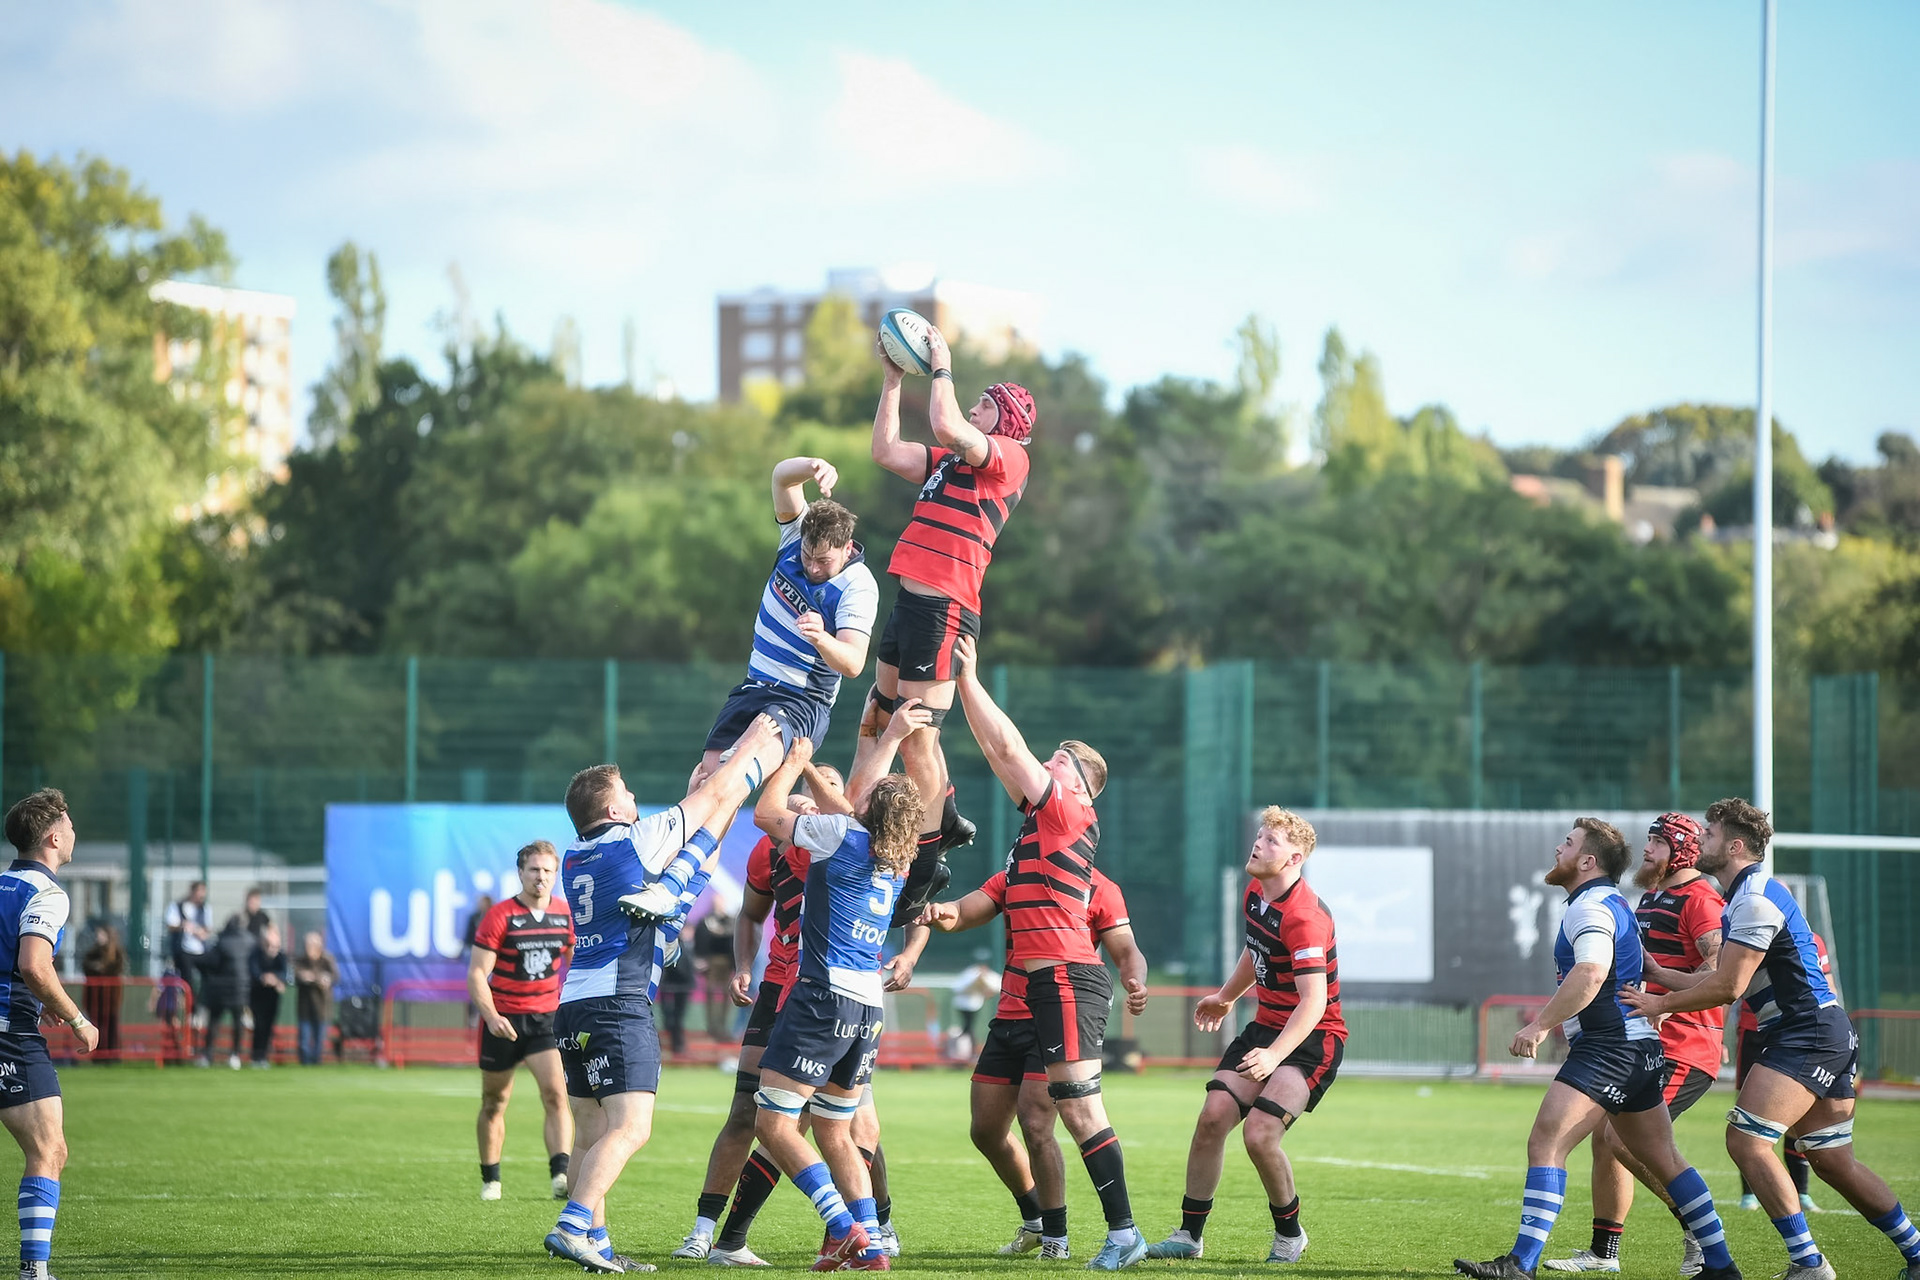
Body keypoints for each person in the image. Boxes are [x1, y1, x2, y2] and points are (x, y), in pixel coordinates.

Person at [920, 633, 1146, 1271]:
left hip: (1071, 980)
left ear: (1082, 787)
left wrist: (966, 679)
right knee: (993, 1124)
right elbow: (974, 908)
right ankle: (1063, 1227)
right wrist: (937, 912)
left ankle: (1121, 1231)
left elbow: (1003, 747)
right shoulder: (1029, 843)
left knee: (1074, 1109)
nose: (1047, 764)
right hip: (1033, 995)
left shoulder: (1069, 812)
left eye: (1060, 760)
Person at [1625, 798, 1920, 1280]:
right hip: (1817, 1030)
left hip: (1807, 1032)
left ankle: (1808, 1263)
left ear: (1735, 845)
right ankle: (1916, 1252)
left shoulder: (1754, 898)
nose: (1701, 841)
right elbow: (1719, 976)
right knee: (1831, 1160)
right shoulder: (1744, 896)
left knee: (1746, 1141)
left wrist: (1657, 1004)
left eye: (1711, 834)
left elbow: (1728, 988)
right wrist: (1659, 974)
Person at [543, 714, 779, 1274]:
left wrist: (706, 803)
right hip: (616, 1004)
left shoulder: (578, 855)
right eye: (626, 793)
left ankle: (595, 1243)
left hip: (574, 1001)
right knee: (632, 1127)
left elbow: (699, 857)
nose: (635, 798)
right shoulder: (632, 842)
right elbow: (717, 796)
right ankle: (572, 1225)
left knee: (592, 1131)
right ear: (612, 811)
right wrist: (749, 745)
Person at [1453, 819, 1739, 1280]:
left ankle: (1520, 1263)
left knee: (1546, 1141)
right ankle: (1721, 1265)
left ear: (1587, 861)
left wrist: (1541, 1025)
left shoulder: (1589, 907)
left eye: (1566, 844)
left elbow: (1589, 974)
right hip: (1639, 1047)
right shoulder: (1614, 903)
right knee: (1663, 1157)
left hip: (1610, 1048)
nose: (1556, 849)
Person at [864, 326, 1036, 915]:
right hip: (911, 601)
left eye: (987, 402)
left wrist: (940, 365)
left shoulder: (1009, 459)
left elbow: (945, 423)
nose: (974, 404)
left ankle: (928, 859)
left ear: (1004, 422)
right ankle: (947, 812)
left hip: (944, 606)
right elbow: (886, 450)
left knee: (916, 738)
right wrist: (892, 377)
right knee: (879, 716)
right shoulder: (950, 464)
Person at [747, 733, 918, 1272]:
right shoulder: (897, 859)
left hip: (823, 997)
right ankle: (870, 1244)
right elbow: (852, 801)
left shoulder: (839, 835)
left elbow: (765, 815)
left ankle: (847, 1232)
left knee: (772, 1125)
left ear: (867, 806)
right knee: (835, 1130)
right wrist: (878, 746)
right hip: (868, 1008)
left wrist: (795, 763)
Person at [1143, 806, 1342, 1265]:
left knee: (1260, 1133)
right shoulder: (1255, 891)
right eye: (1260, 836)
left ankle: (1290, 1235)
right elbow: (1256, 952)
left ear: (1295, 860)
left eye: (1272, 842)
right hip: (1267, 1028)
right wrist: (1227, 997)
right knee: (1213, 1116)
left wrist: (1273, 1057)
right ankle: (1189, 1236)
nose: (1258, 844)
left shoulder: (1305, 918)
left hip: (1313, 1039)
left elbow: (1313, 1004)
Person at [672, 760, 851, 1265]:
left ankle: (876, 1223)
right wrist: (743, 966)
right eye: (803, 793)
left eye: (826, 791)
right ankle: (706, 1233)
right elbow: (752, 914)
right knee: (745, 1113)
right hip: (778, 989)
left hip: (831, 996)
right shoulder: (769, 850)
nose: (810, 800)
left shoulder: (841, 845)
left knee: (842, 1126)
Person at [1545, 813, 1725, 1276]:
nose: (1648, 850)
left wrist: (1666, 1001)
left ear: (1682, 851)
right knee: (1606, 1143)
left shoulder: (1699, 897)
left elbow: (1721, 968)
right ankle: (1604, 1253)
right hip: (1644, 1040)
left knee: (1620, 1139)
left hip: (1686, 1042)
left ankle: (1700, 1234)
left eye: (1659, 843)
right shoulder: (1650, 896)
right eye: (1647, 841)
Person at [949, 862, 1145, 1262]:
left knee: (1036, 1121)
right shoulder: (1013, 877)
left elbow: (1128, 951)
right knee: (985, 1130)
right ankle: (1035, 1221)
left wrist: (1135, 980)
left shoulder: (1100, 887)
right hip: (1008, 1017)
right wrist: (936, 912)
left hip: (1055, 1015)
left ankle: (1057, 1237)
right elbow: (965, 913)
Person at [693, 456, 878, 797]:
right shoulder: (796, 533)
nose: (813, 568)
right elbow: (781, 478)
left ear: (847, 549)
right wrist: (813, 466)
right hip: (754, 685)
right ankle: (697, 852)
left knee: (736, 775)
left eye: (824, 561)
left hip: (800, 701)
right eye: (808, 556)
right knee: (705, 781)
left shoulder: (858, 586)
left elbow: (853, 663)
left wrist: (823, 638)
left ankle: (735, 771)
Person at [1, 788, 99, 1280]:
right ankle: (33, 1271)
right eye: (71, 822)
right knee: (48, 1150)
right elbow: (35, 967)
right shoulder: (48, 894)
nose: (75, 830)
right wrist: (78, 1018)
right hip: (9, 1034)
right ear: (55, 837)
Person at [468, 840, 576, 1202]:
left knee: (556, 1094)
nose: (541, 877)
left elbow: (577, 964)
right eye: (534, 870)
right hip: (504, 1021)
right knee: (495, 1102)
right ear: (521, 873)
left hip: (545, 1020)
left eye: (547, 870)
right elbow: (476, 974)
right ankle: (491, 1179)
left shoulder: (565, 914)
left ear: (556, 874)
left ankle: (560, 1176)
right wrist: (492, 1016)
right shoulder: (500, 915)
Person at [1734, 927, 1835, 1214]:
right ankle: (1749, 1194)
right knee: (1747, 1112)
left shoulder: (1813, 940)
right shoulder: (1747, 932)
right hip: (1753, 1032)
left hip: (1795, 1034)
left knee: (1796, 1114)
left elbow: (1828, 984)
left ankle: (1801, 1190)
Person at [199, 915, 255, 1070]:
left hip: (219, 988)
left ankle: (207, 1055)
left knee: (214, 1022)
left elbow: (210, 962)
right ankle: (235, 1055)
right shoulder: (250, 941)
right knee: (238, 1023)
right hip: (241, 988)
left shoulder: (221, 941)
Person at [80, 923, 126, 1059]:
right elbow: (87, 965)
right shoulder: (93, 952)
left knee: (111, 1024)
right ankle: (98, 1054)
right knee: (96, 1024)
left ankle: (112, 1054)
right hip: (94, 996)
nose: (98, 937)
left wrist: (101, 967)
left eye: (101, 934)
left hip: (110, 996)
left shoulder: (116, 952)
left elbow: (115, 968)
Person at [291, 931, 338, 1066]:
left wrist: (319, 978)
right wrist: (310, 977)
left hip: (322, 1006)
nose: (309, 947)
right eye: (307, 944)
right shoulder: (301, 960)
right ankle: (305, 1064)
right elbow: (297, 975)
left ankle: (316, 1064)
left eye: (312, 944)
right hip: (305, 1006)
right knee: (304, 1040)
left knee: (319, 1039)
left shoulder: (327, 959)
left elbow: (334, 976)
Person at [247, 923, 289, 1068]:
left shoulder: (281, 956)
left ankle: (263, 1056)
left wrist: (275, 978)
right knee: (258, 1025)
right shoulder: (256, 953)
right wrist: (264, 978)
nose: (272, 949)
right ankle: (255, 1056)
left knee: (268, 1026)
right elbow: (254, 971)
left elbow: (284, 973)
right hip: (257, 994)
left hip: (272, 996)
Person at [695, 907, 738, 1046]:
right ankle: (712, 1027)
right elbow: (700, 939)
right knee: (711, 992)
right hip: (712, 961)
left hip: (727, 961)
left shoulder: (731, 921)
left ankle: (722, 1027)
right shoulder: (706, 921)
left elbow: (733, 939)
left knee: (727, 995)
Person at [163, 880, 210, 1008]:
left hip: (200, 951)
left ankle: (200, 1004)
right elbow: (170, 925)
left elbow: (207, 929)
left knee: (208, 977)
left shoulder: (204, 909)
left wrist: (201, 932)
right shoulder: (177, 906)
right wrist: (183, 926)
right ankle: (189, 1006)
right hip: (184, 951)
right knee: (187, 980)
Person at [949, 950, 999, 1055]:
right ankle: (967, 1052)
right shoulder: (970, 973)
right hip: (964, 1004)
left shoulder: (989, 975)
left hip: (974, 1004)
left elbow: (996, 986)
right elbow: (959, 987)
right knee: (967, 1027)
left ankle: (970, 1051)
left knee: (968, 1027)